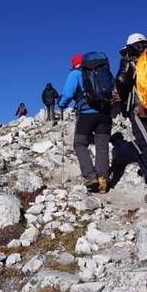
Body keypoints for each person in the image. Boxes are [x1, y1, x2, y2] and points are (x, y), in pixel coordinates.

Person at [58, 53, 113, 194]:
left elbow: (68, 94)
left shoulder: (75, 74)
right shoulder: (102, 72)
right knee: (102, 146)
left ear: (74, 64)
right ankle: (103, 179)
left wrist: (62, 105)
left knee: (80, 143)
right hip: (105, 113)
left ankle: (90, 176)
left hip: (86, 114)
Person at [111, 33, 147, 186]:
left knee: (144, 143)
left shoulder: (130, 62)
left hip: (140, 109)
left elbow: (121, 80)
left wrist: (122, 101)